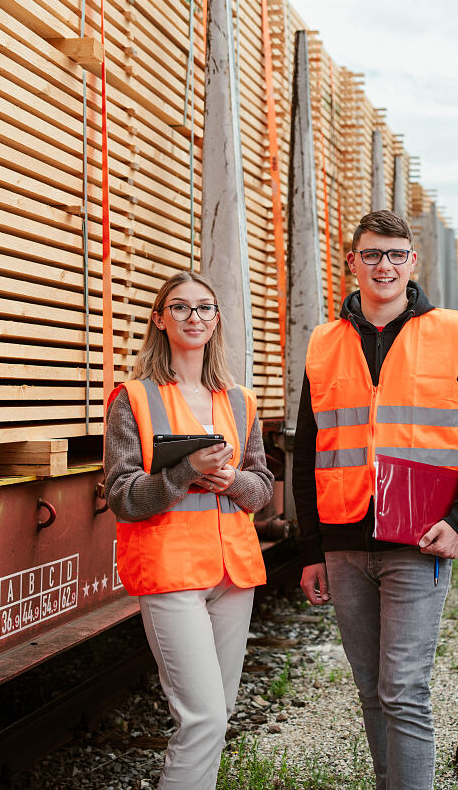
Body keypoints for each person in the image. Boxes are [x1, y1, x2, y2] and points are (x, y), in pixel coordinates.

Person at [294, 210, 458, 789]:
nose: (383, 266)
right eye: (371, 255)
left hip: (419, 542)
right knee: (371, 690)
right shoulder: (323, 343)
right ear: (352, 262)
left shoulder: (453, 331)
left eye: (394, 254)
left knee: (403, 690)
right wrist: (311, 550)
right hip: (343, 545)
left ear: (412, 262)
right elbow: (307, 453)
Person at [104, 271, 272, 790]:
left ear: (216, 319)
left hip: (232, 574)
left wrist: (232, 479)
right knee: (202, 720)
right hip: (171, 571)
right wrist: (184, 472)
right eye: (179, 308)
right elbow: (122, 497)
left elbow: (263, 487)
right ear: (160, 319)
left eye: (204, 308)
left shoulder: (239, 400)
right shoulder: (133, 399)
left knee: (217, 715)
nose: (193, 317)